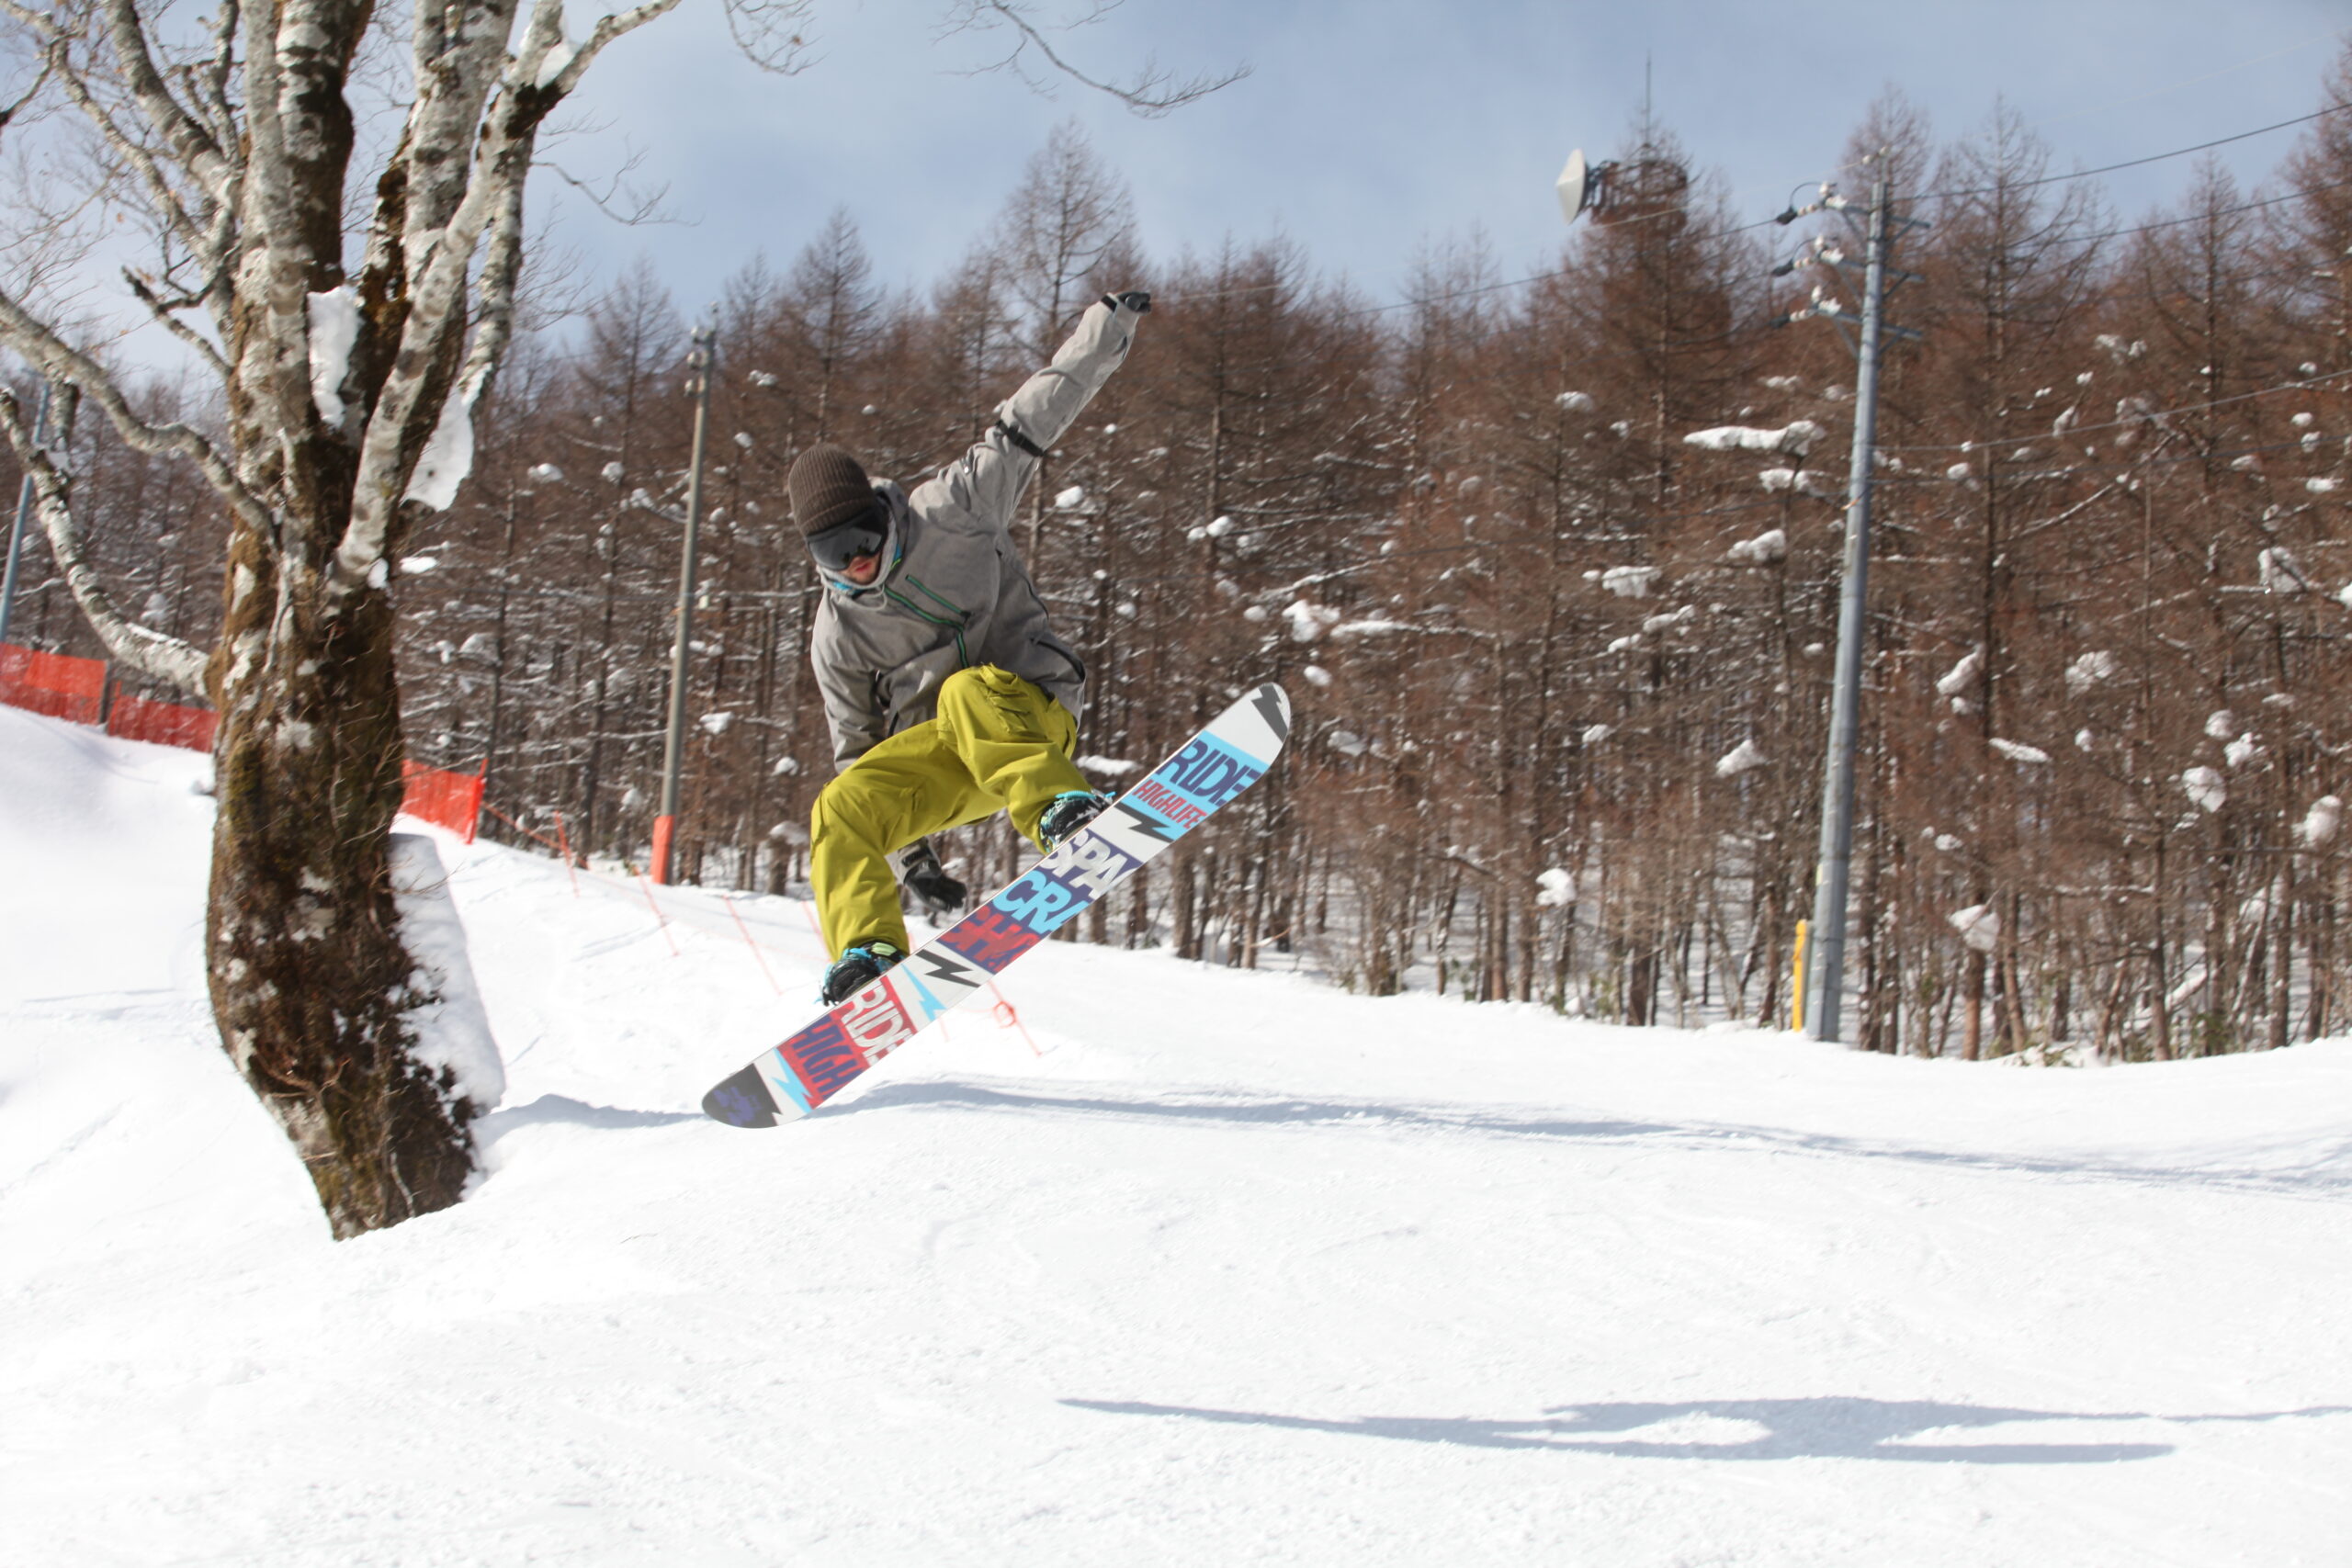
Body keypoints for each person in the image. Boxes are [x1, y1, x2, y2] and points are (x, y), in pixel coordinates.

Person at [793, 289, 1153, 1004]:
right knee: (838, 805)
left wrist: (1107, 329)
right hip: (952, 761)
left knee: (966, 690)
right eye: (837, 553)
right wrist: (914, 859)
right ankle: (869, 949)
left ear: (879, 512)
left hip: (1030, 712)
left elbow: (1029, 419)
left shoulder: (954, 509)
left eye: (863, 537)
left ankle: (1062, 812)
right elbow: (860, 751)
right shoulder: (837, 636)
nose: (858, 560)